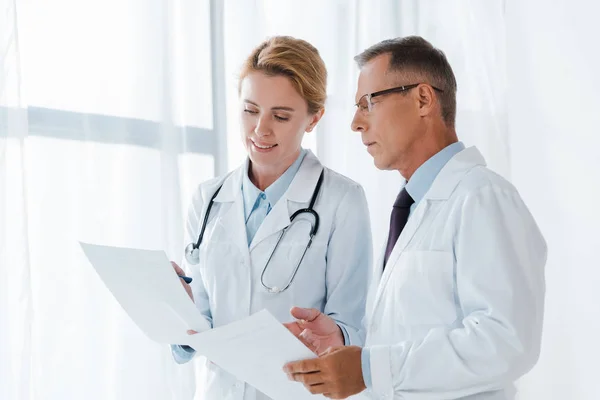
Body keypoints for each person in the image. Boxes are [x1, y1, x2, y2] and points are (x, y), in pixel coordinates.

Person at [284, 36, 547, 400]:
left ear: (423, 99)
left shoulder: (483, 197)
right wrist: (346, 343)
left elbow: (505, 341)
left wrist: (368, 369)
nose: (355, 123)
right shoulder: (412, 208)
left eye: (368, 103)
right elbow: (410, 334)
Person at [170, 36, 373, 400]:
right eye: (250, 110)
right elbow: (202, 328)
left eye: (280, 116)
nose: (260, 129)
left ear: (314, 118)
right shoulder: (208, 199)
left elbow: (352, 329)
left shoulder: (342, 201)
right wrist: (176, 308)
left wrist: (333, 335)